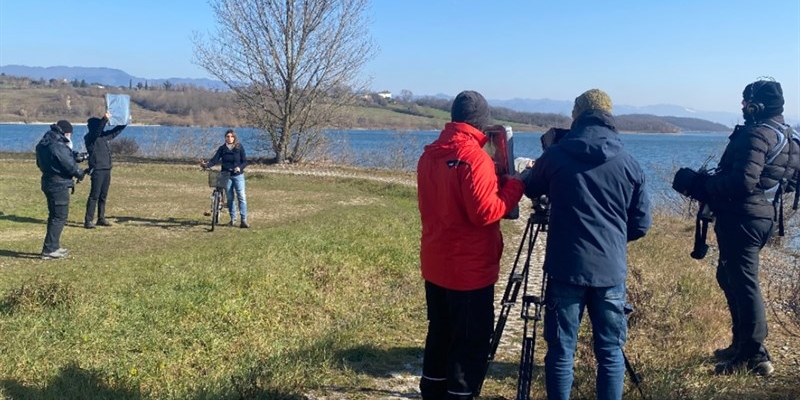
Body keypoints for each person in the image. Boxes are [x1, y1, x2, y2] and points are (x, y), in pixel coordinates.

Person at [521, 89, 651, 400]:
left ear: (576, 116)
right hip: (610, 270)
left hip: (566, 267)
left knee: (561, 350)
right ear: (609, 117)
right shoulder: (629, 163)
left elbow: (530, 188)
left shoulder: (555, 155)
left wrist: (529, 171)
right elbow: (641, 224)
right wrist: (614, 238)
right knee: (610, 351)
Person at [416, 90, 525, 400]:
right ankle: (459, 395)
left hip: (436, 262)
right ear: (482, 124)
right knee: (469, 342)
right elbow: (486, 212)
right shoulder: (473, 157)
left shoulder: (430, 154)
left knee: (440, 333)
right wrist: (515, 184)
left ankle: (432, 391)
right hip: (469, 270)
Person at [686, 79, 795, 377]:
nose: (743, 107)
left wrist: (699, 185)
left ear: (756, 105)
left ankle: (753, 355)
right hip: (764, 217)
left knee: (745, 283)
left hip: (743, 218)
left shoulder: (756, 134)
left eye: (746, 101)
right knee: (729, 275)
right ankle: (741, 344)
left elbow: (742, 182)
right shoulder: (787, 133)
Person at [35, 120, 87, 259]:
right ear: (66, 132)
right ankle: (49, 249)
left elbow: (42, 162)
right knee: (59, 216)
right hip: (58, 184)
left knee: (54, 215)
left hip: (48, 181)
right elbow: (68, 165)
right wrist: (79, 173)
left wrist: (73, 156)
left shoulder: (44, 143)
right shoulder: (57, 145)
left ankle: (53, 246)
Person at [83, 111, 127, 228]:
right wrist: (104, 119)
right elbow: (97, 131)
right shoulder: (90, 137)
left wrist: (125, 121)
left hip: (107, 169)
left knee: (103, 195)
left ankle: (101, 218)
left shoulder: (103, 136)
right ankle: (88, 220)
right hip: (97, 169)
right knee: (94, 196)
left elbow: (115, 132)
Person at [200, 129, 249, 228]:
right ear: (225, 138)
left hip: (238, 175)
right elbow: (214, 160)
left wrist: (239, 167)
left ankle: (243, 220)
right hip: (226, 175)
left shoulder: (239, 148)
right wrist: (206, 165)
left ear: (234, 138)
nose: (229, 138)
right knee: (230, 198)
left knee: (241, 197)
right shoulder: (222, 149)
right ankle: (233, 219)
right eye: (227, 136)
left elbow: (245, 161)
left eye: (231, 136)